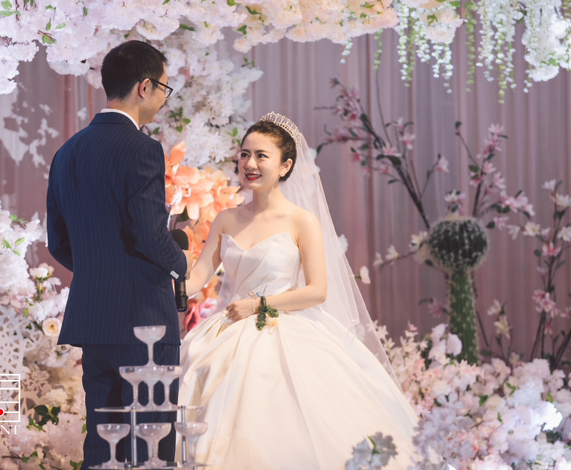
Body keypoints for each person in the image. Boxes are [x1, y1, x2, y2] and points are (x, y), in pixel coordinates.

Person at [178, 113, 421, 469]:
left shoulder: (301, 220)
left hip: (284, 325)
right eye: (245, 154)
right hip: (227, 328)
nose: (250, 164)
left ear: (285, 165)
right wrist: (156, 280)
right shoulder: (227, 219)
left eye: (261, 156)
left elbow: (317, 291)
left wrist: (257, 305)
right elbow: (197, 277)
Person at [46, 40, 190, 469]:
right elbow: (150, 235)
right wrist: (181, 265)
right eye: (164, 88)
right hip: (143, 318)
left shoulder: (67, 152)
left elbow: (59, 242)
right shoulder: (142, 148)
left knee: (103, 442)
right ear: (145, 87)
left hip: (92, 317)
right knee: (150, 441)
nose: (163, 98)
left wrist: (101, 269)